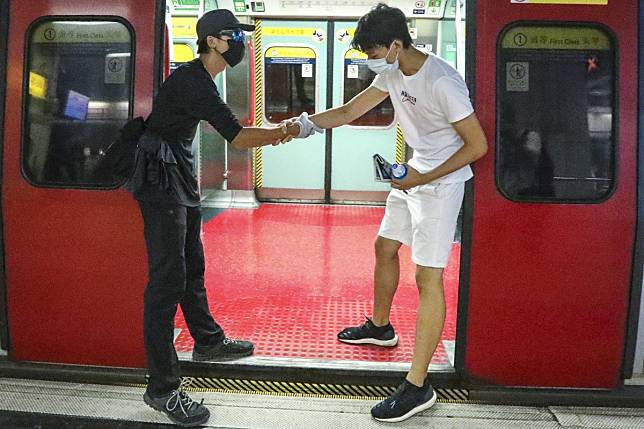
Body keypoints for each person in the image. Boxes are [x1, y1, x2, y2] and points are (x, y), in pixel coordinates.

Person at [285, 3, 487, 423]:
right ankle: (381, 328)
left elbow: (476, 146)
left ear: (396, 44)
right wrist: (297, 127)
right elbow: (347, 112)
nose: (370, 59)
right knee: (384, 247)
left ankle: (419, 384)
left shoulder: (443, 82)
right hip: (411, 176)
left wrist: (421, 176)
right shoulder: (392, 73)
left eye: (374, 52)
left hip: (440, 185)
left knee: (427, 277)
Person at [128, 9, 300, 427]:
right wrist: (286, 131)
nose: (239, 43)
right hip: (161, 182)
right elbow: (237, 136)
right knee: (167, 281)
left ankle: (207, 341)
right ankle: (163, 388)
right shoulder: (193, 82)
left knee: (192, 266)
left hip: (177, 178)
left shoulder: (200, 80)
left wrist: (280, 131)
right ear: (213, 42)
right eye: (232, 37)